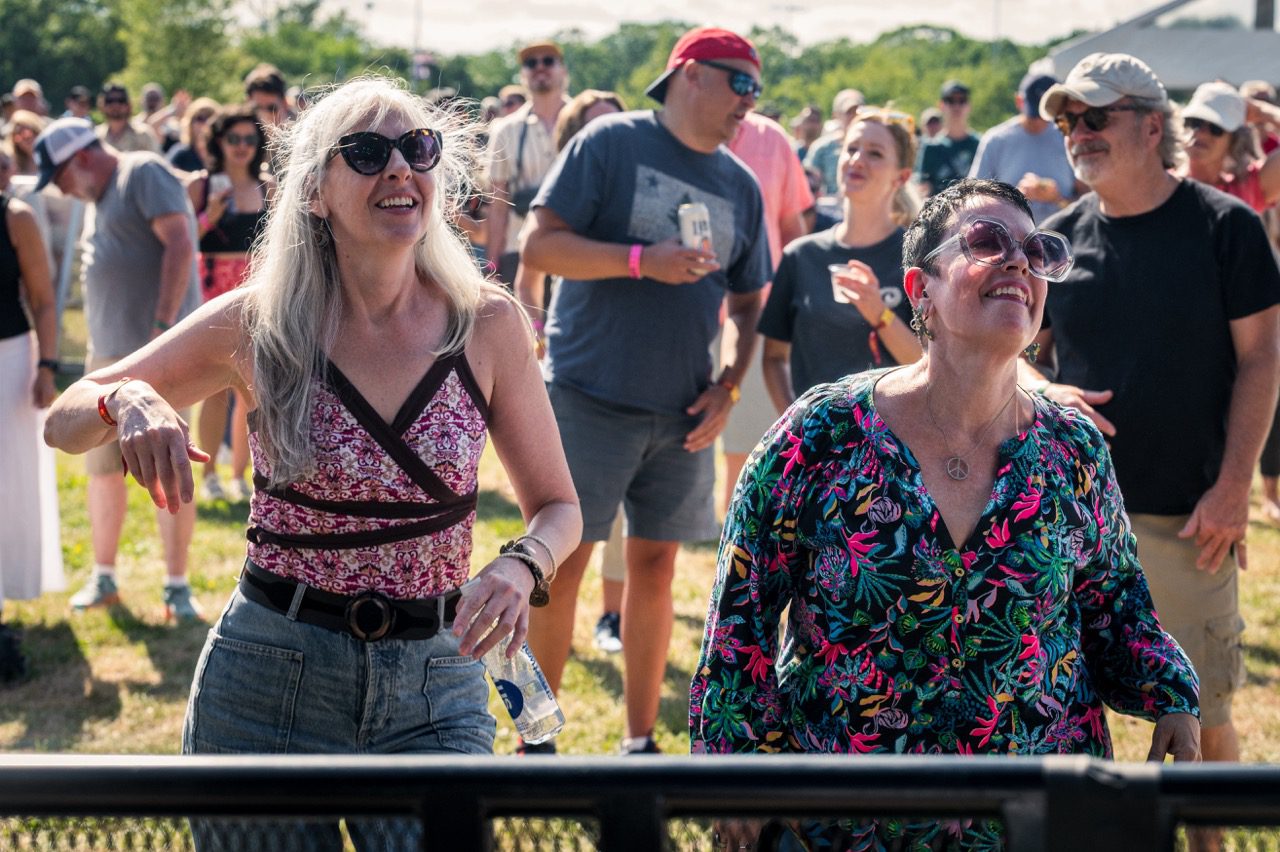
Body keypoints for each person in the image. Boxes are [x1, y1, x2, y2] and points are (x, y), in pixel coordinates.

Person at [42, 76, 581, 848]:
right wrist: (125, 400)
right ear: (315, 193)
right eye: (365, 152)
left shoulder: (486, 323)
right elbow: (64, 422)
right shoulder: (262, 322)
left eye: (417, 148)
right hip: (267, 682)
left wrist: (523, 565)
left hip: (434, 684)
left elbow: (559, 507)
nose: (399, 168)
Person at [692, 179, 1201, 850]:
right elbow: (741, 613)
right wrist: (737, 766)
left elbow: (1116, 602)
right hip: (847, 820)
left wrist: (1171, 695)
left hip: (1034, 818)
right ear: (920, 287)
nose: (1018, 261)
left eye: (1036, 251)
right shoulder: (820, 434)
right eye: (987, 241)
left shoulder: (1072, 447)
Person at [1032, 53, 1280, 792]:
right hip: (1073, 524)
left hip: (1187, 520)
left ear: (1151, 125)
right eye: (1068, 121)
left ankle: (1210, 837)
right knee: (1067, 717)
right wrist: (1045, 390)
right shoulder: (1056, 239)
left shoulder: (1225, 226)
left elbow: (1264, 357)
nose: (1078, 133)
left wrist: (1234, 488)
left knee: (1201, 715)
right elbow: (1013, 357)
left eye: (1095, 116)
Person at [522, 26, 770, 755]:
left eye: (757, 90)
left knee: (656, 569)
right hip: (589, 395)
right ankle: (536, 745)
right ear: (690, 74)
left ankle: (638, 744)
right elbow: (541, 245)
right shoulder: (611, 142)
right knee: (562, 567)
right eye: (741, 83)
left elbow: (749, 303)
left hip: (685, 412)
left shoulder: (742, 184)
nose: (750, 103)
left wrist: (729, 386)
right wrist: (640, 260)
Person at [32, 117, 203, 622]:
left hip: (157, 358)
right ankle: (104, 577)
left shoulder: (141, 171)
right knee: (102, 472)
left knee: (169, 471)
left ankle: (177, 586)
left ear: (81, 158)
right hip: (108, 360)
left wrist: (162, 327)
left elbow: (179, 242)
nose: (62, 189)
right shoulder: (99, 196)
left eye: (60, 177)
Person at [510, 88, 629, 654]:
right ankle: (554, 627)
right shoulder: (561, 202)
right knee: (568, 511)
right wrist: (532, 338)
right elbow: (530, 273)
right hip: (575, 369)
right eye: (594, 128)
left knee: (623, 525)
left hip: (633, 374)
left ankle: (612, 616)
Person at [760, 109, 922, 412]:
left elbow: (929, 367)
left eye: (874, 153)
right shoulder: (801, 256)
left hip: (892, 437)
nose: (857, 160)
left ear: (901, 177)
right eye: (851, 149)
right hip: (815, 439)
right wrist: (794, 424)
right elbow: (773, 357)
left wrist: (880, 314)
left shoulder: (917, 258)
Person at [719, 108, 814, 511]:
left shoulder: (773, 139)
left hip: (757, 310)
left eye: (750, 84)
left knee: (748, 437)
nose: (743, 93)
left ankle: (737, 522)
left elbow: (792, 227)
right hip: (689, 309)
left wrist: (791, 303)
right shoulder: (681, 133)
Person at [186, 104, 272, 503]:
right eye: (233, 138)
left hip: (256, 291)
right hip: (211, 291)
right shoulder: (200, 186)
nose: (241, 146)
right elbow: (182, 242)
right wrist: (209, 216)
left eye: (249, 139)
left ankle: (242, 474)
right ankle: (208, 475)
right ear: (218, 141)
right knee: (214, 387)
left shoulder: (268, 188)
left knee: (253, 388)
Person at [0, 176, 65, 682]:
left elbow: (43, 299)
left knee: (8, 483)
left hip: (10, 360)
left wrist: (47, 366)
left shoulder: (15, 217)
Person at [486, 40, 571, 287]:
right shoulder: (505, 130)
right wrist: (492, 266)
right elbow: (498, 205)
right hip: (520, 249)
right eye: (531, 63)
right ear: (523, 75)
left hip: (577, 248)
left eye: (548, 61)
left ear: (563, 70)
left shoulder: (584, 120)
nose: (540, 67)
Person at [970, 71, 1081, 223]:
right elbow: (974, 201)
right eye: (1034, 115)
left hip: (1064, 234)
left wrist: (1057, 199)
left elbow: (1090, 201)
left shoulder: (1071, 138)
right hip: (1012, 236)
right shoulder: (996, 140)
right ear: (1019, 101)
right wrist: (1015, 199)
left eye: (1046, 115)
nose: (1039, 122)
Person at [915, 80, 980, 197]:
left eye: (962, 100)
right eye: (950, 100)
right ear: (941, 105)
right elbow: (923, 188)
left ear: (968, 105)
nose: (956, 106)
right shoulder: (931, 147)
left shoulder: (980, 144)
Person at [804, 88, 864, 196]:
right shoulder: (821, 148)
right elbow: (807, 183)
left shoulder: (872, 147)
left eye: (857, 112)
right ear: (835, 115)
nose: (854, 117)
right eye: (849, 112)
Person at [95, 84, 160, 154]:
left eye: (121, 100)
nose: (115, 105)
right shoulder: (96, 136)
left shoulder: (143, 135)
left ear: (128, 105)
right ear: (102, 105)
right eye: (109, 101)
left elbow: (157, 159)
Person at [166, 97, 220, 174]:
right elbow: (167, 176)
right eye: (200, 118)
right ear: (190, 123)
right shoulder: (180, 154)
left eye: (210, 117)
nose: (205, 123)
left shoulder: (224, 152)